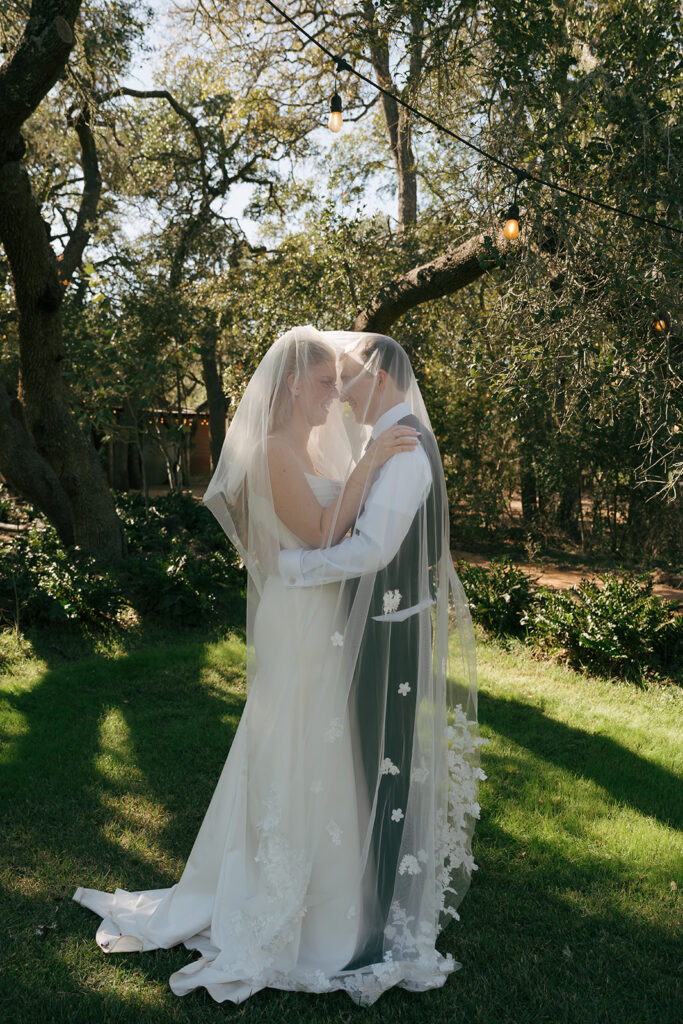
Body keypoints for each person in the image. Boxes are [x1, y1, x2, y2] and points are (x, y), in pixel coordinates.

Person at [71, 325, 485, 1007]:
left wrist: (369, 465)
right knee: (301, 741)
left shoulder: (313, 445)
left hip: (323, 613)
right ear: (293, 382)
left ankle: (339, 897)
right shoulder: (269, 451)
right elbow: (325, 533)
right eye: (324, 384)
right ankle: (292, 903)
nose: (335, 398)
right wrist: (367, 465)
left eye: (339, 382)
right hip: (302, 617)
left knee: (326, 751)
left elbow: (353, 532)